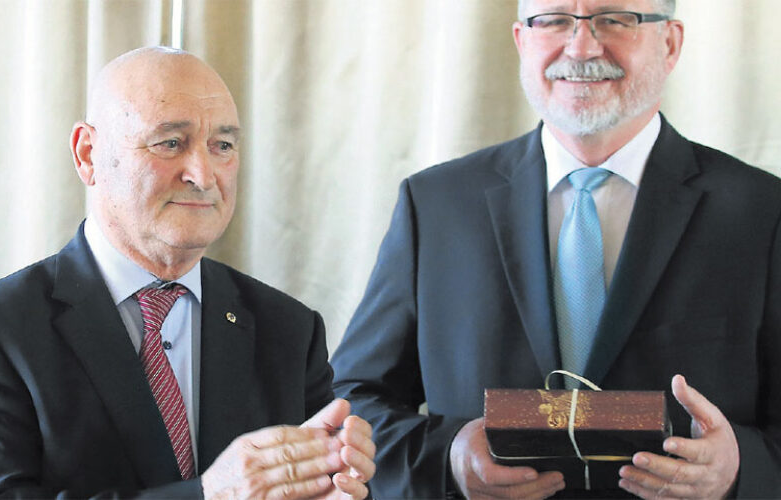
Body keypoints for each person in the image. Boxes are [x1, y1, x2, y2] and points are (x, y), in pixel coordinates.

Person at [331, 0, 781, 498]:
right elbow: (350, 401)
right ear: (522, 41)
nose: (581, 47)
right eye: (554, 21)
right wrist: (449, 459)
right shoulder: (436, 205)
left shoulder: (764, 212)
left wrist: (739, 468)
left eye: (614, 19)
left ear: (670, 43)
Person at [0, 47, 375, 499]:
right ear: (88, 153)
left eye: (222, 146)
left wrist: (339, 484)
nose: (203, 176)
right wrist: (209, 495)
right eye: (170, 143)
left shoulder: (289, 329)